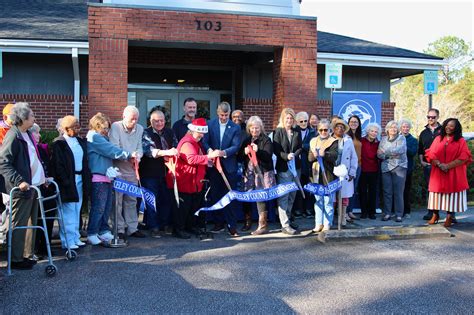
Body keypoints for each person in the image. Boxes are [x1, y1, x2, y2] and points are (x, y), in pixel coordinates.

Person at [0, 103, 45, 270]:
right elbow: (3, 163)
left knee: (31, 223)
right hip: (21, 188)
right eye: (32, 115)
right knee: (19, 224)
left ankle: (26, 255)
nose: (34, 117)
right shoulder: (13, 135)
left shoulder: (27, 134)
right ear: (23, 118)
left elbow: (32, 159)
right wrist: (19, 181)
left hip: (34, 186)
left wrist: (42, 177)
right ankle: (16, 258)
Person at [86, 113, 133, 245]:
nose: (106, 131)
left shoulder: (100, 137)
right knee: (99, 207)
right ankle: (92, 232)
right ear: (96, 126)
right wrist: (128, 154)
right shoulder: (94, 137)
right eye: (104, 128)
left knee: (106, 207)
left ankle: (103, 230)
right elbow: (111, 150)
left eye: (108, 128)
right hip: (98, 178)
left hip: (106, 178)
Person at [169, 118, 220, 239]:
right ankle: (178, 229)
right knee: (183, 207)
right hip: (186, 180)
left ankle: (189, 227)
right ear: (192, 131)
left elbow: (197, 157)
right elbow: (191, 159)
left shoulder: (194, 142)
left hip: (193, 181)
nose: (201, 136)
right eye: (199, 133)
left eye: (203, 133)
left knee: (191, 206)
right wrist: (209, 157)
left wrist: (206, 161)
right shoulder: (187, 142)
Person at [50, 116, 91, 250]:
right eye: (75, 127)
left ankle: (75, 237)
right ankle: (67, 241)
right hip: (67, 182)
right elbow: (58, 165)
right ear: (66, 129)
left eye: (78, 126)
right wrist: (66, 181)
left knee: (76, 209)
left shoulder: (79, 141)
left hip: (80, 179)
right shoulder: (59, 143)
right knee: (67, 211)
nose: (78, 129)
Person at [203, 102, 241, 236]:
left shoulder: (235, 127)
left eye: (226, 115)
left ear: (229, 113)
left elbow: (236, 146)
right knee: (215, 195)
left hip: (229, 167)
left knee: (229, 196)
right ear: (217, 113)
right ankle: (218, 223)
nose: (224, 117)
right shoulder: (210, 124)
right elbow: (204, 141)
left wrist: (223, 152)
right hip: (214, 167)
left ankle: (232, 225)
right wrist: (210, 151)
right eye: (221, 115)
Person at [425, 118, 471, 227]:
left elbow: (464, 157)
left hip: (454, 171)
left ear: (456, 128)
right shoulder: (438, 139)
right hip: (438, 171)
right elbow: (431, 153)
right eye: (447, 125)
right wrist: (439, 164)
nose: (448, 127)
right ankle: (435, 215)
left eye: (451, 126)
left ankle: (449, 216)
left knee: (452, 195)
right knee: (436, 193)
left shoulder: (461, 141)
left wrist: (448, 166)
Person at [140, 109, 178, 238]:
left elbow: (176, 147)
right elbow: (148, 151)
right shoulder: (146, 133)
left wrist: (174, 151)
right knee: (151, 200)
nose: (159, 123)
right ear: (151, 121)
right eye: (156, 121)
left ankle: (164, 224)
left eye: (161, 120)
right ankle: (153, 226)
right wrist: (167, 152)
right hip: (149, 173)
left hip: (167, 172)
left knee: (166, 200)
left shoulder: (170, 132)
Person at [109, 106, 144, 240]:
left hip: (132, 169)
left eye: (136, 119)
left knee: (131, 200)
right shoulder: (115, 127)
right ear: (124, 117)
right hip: (118, 170)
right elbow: (114, 148)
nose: (134, 122)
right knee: (117, 201)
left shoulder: (139, 129)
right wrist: (129, 155)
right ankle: (119, 228)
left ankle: (132, 228)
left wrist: (138, 156)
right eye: (131, 119)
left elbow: (140, 146)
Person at [238, 116, 276, 235]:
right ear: (249, 128)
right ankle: (247, 222)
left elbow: (268, 156)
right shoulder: (246, 139)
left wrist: (258, 150)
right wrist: (243, 153)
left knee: (260, 198)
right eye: (252, 128)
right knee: (247, 196)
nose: (255, 130)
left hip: (262, 172)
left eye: (257, 128)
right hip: (248, 173)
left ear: (261, 128)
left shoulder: (266, 140)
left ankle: (262, 225)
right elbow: (239, 157)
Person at [273, 108, 302, 235]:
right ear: (283, 119)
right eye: (287, 118)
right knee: (284, 196)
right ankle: (284, 224)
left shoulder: (297, 131)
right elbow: (276, 150)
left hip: (296, 168)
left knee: (292, 195)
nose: (289, 120)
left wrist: (294, 155)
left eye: (291, 118)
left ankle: (288, 219)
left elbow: (300, 147)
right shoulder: (278, 132)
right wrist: (286, 156)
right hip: (284, 168)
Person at [308, 119, 338, 232]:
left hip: (328, 175)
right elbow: (309, 158)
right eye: (321, 130)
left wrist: (325, 154)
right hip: (315, 174)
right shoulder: (313, 141)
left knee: (328, 201)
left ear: (329, 130)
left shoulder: (333, 141)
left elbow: (335, 156)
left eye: (326, 130)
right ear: (318, 130)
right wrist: (315, 155)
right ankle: (318, 224)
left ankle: (327, 223)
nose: (323, 132)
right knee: (318, 201)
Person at [377, 120, 407, 222]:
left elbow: (401, 150)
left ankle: (399, 214)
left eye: (395, 127)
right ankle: (387, 213)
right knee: (387, 192)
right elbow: (379, 154)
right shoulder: (383, 139)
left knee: (398, 192)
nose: (393, 129)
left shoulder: (401, 138)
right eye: (391, 127)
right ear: (387, 129)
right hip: (385, 168)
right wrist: (390, 154)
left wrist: (386, 152)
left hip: (399, 167)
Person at [332, 118, 358, 226]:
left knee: (344, 197)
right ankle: (331, 218)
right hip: (332, 172)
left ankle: (343, 218)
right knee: (332, 197)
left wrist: (352, 172)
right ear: (334, 129)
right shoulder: (329, 139)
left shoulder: (348, 140)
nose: (340, 129)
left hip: (345, 172)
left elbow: (353, 157)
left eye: (342, 128)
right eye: (337, 127)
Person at [418, 108, 442, 221]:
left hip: (442, 165)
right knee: (430, 189)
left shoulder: (443, 131)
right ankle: (431, 212)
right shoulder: (423, 133)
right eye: (428, 117)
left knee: (445, 189)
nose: (430, 119)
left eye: (433, 117)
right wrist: (422, 161)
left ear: (438, 117)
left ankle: (450, 214)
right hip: (428, 165)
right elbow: (420, 149)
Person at [294, 111, 316, 218]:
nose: (303, 123)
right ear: (297, 122)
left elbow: (314, 145)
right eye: (301, 121)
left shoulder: (313, 132)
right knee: (298, 187)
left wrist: (303, 146)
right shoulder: (294, 131)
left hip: (309, 163)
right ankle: (298, 209)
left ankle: (308, 209)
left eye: (305, 121)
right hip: (297, 164)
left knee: (308, 187)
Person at [358, 123, 381, 219]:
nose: (374, 133)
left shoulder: (379, 143)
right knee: (362, 191)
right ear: (367, 131)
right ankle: (364, 212)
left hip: (374, 170)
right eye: (372, 131)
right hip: (363, 170)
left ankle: (372, 212)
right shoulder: (361, 141)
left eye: (376, 131)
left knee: (372, 192)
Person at [399, 119, 418, 219]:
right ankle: (397, 211)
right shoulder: (396, 138)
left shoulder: (413, 140)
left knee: (406, 190)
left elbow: (413, 152)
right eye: (403, 127)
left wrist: (403, 144)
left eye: (407, 127)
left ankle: (406, 211)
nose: (405, 129)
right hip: (396, 168)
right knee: (397, 191)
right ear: (400, 128)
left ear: (409, 128)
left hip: (407, 168)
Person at [346, 115, 362, 220]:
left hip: (358, 166)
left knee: (353, 190)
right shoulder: (346, 136)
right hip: (348, 167)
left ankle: (350, 211)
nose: (353, 123)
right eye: (351, 122)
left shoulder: (359, 136)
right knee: (347, 190)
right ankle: (345, 212)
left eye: (356, 122)